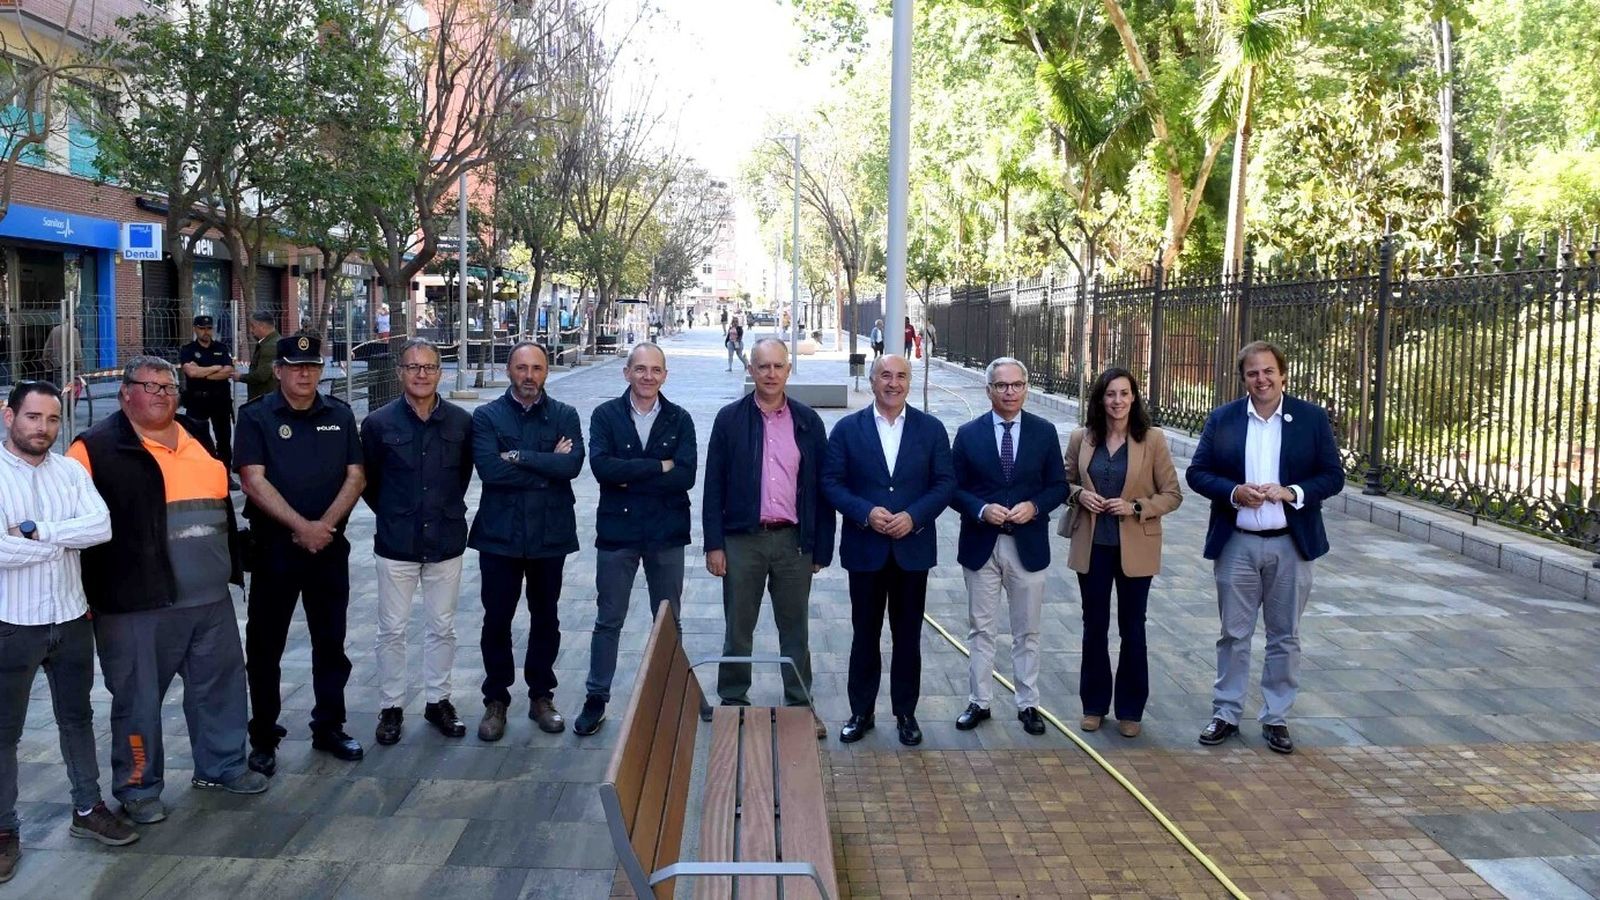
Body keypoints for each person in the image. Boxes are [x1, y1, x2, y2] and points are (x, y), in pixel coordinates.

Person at [69, 357, 268, 826]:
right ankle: (138, 786)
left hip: (210, 600)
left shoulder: (197, 432)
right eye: (148, 386)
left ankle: (222, 766)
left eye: (168, 386)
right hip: (135, 606)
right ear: (124, 393)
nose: (160, 394)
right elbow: (74, 533)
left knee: (220, 690)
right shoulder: (93, 449)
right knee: (137, 703)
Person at [0, 381, 131, 883]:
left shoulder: (71, 471)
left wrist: (36, 531)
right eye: (33, 417)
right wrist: (62, 540)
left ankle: (87, 809)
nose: (43, 428)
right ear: (9, 417)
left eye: (53, 419)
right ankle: (4, 828)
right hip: (13, 624)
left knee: (77, 719)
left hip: (72, 619)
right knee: (4, 734)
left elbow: (101, 528)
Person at [1187, 341, 1344, 755]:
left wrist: (1292, 492)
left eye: (1269, 371)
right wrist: (1235, 492)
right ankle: (1226, 713)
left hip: (1291, 544)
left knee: (1285, 636)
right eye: (1253, 373)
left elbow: (1333, 476)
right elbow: (1198, 473)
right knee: (1234, 634)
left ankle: (1276, 717)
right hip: (1236, 543)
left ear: (1283, 373)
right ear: (1243, 379)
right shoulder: (1223, 419)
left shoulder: (1309, 419)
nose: (1262, 379)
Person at [235, 333, 367, 775]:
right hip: (275, 549)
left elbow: (356, 476)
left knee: (330, 644)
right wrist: (301, 527)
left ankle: (329, 725)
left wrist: (323, 528)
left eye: (312, 366)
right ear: (278, 371)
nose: (305, 373)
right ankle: (264, 736)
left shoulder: (340, 414)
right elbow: (252, 479)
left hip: (328, 548)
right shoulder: (256, 416)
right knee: (265, 646)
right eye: (295, 366)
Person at [704, 338, 834, 738]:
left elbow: (821, 488)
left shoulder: (808, 422)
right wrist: (714, 545)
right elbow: (713, 486)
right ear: (751, 369)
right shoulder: (729, 419)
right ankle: (733, 702)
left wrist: (820, 547)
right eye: (763, 367)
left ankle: (800, 705)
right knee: (738, 627)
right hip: (743, 540)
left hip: (794, 542)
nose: (771, 374)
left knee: (795, 629)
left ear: (789, 371)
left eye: (778, 366)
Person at [823, 354, 955, 746]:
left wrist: (914, 517)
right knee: (864, 633)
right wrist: (865, 512)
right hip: (866, 548)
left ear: (909, 382)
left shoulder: (931, 429)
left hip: (911, 550)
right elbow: (831, 482)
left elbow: (945, 483)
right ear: (872, 380)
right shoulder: (848, 429)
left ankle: (905, 713)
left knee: (907, 636)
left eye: (901, 376)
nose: (893, 383)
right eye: (885, 375)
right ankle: (861, 711)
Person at [575, 343, 697, 736]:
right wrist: (659, 466)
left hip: (666, 534)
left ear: (665, 375)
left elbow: (686, 476)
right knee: (609, 618)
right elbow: (603, 469)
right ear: (626, 372)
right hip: (618, 534)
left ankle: (672, 694)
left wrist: (632, 474)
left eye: (655, 370)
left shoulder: (680, 419)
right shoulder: (605, 415)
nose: (648, 377)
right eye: (640, 369)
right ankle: (597, 697)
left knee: (668, 621)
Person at [360, 339, 474, 746]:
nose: (421, 374)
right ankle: (391, 706)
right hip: (397, 542)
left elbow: (460, 478)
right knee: (391, 629)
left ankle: (438, 700)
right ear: (400, 372)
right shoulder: (377, 424)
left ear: (440, 372)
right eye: (413, 367)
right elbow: (368, 483)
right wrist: (396, 514)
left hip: (445, 540)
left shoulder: (461, 423)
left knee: (442, 627)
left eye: (429, 367)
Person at [469, 341, 585, 741]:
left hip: (549, 535)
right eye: (522, 368)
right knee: (496, 619)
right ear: (509, 371)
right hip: (499, 535)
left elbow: (571, 466)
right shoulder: (486, 416)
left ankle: (541, 696)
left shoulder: (565, 414)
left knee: (545, 617)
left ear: (547, 371)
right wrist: (546, 462)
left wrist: (517, 455)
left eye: (537, 368)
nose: (529, 375)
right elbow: (489, 471)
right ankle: (496, 699)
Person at [1061, 367, 1183, 738]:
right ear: (1100, 399)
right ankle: (1094, 705)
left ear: (1134, 398)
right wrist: (1080, 494)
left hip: (1136, 547)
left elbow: (1173, 494)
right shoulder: (1082, 438)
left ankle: (1130, 708)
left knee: (1133, 628)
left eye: (1124, 394)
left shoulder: (1153, 440)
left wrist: (1136, 508)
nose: (1117, 401)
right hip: (1092, 545)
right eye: (1110, 394)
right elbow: (1061, 481)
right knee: (1093, 626)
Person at [950, 358, 1067, 736]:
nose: (1010, 392)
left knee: (1027, 630)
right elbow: (953, 488)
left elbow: (1059, 487)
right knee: (981, 629)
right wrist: (982, 509)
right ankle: (979, 701)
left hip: (1027, 544)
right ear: (989, 390)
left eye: (1017, 385)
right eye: (1001, 386)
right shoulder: (968, 434)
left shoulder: (1044, 432)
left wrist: (1034, 506)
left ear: (1026, 388)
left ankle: (1028, 703)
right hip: (981, 543)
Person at [179, 314, 236, 471]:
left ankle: (224, 473)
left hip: (220, 401)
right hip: (198, 401)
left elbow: (228, 371)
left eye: (209, 328)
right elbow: (191, 372)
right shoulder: (188, 350)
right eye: (202, 328)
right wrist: (214, 368)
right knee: (197, 439)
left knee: (224, 440)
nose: (206, 331)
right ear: (195, 329)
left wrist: (202, 372)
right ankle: (202, 472)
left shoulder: (221, 348)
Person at [236, 311, 281, 402]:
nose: (251, 330)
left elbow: (261, 375)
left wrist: (240, 377)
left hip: (265, 399)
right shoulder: (272, 342)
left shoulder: (270, 346)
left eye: (253, 326)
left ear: (262, 326)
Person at [42, 320, 82, 388]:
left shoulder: (54, 330)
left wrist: (47, 364)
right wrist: (79, 364)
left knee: (60, 387)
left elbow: (47, 349)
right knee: (71, 389)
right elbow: (76, 350)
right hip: (71, 365)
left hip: (57, 365)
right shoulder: (74, 331)